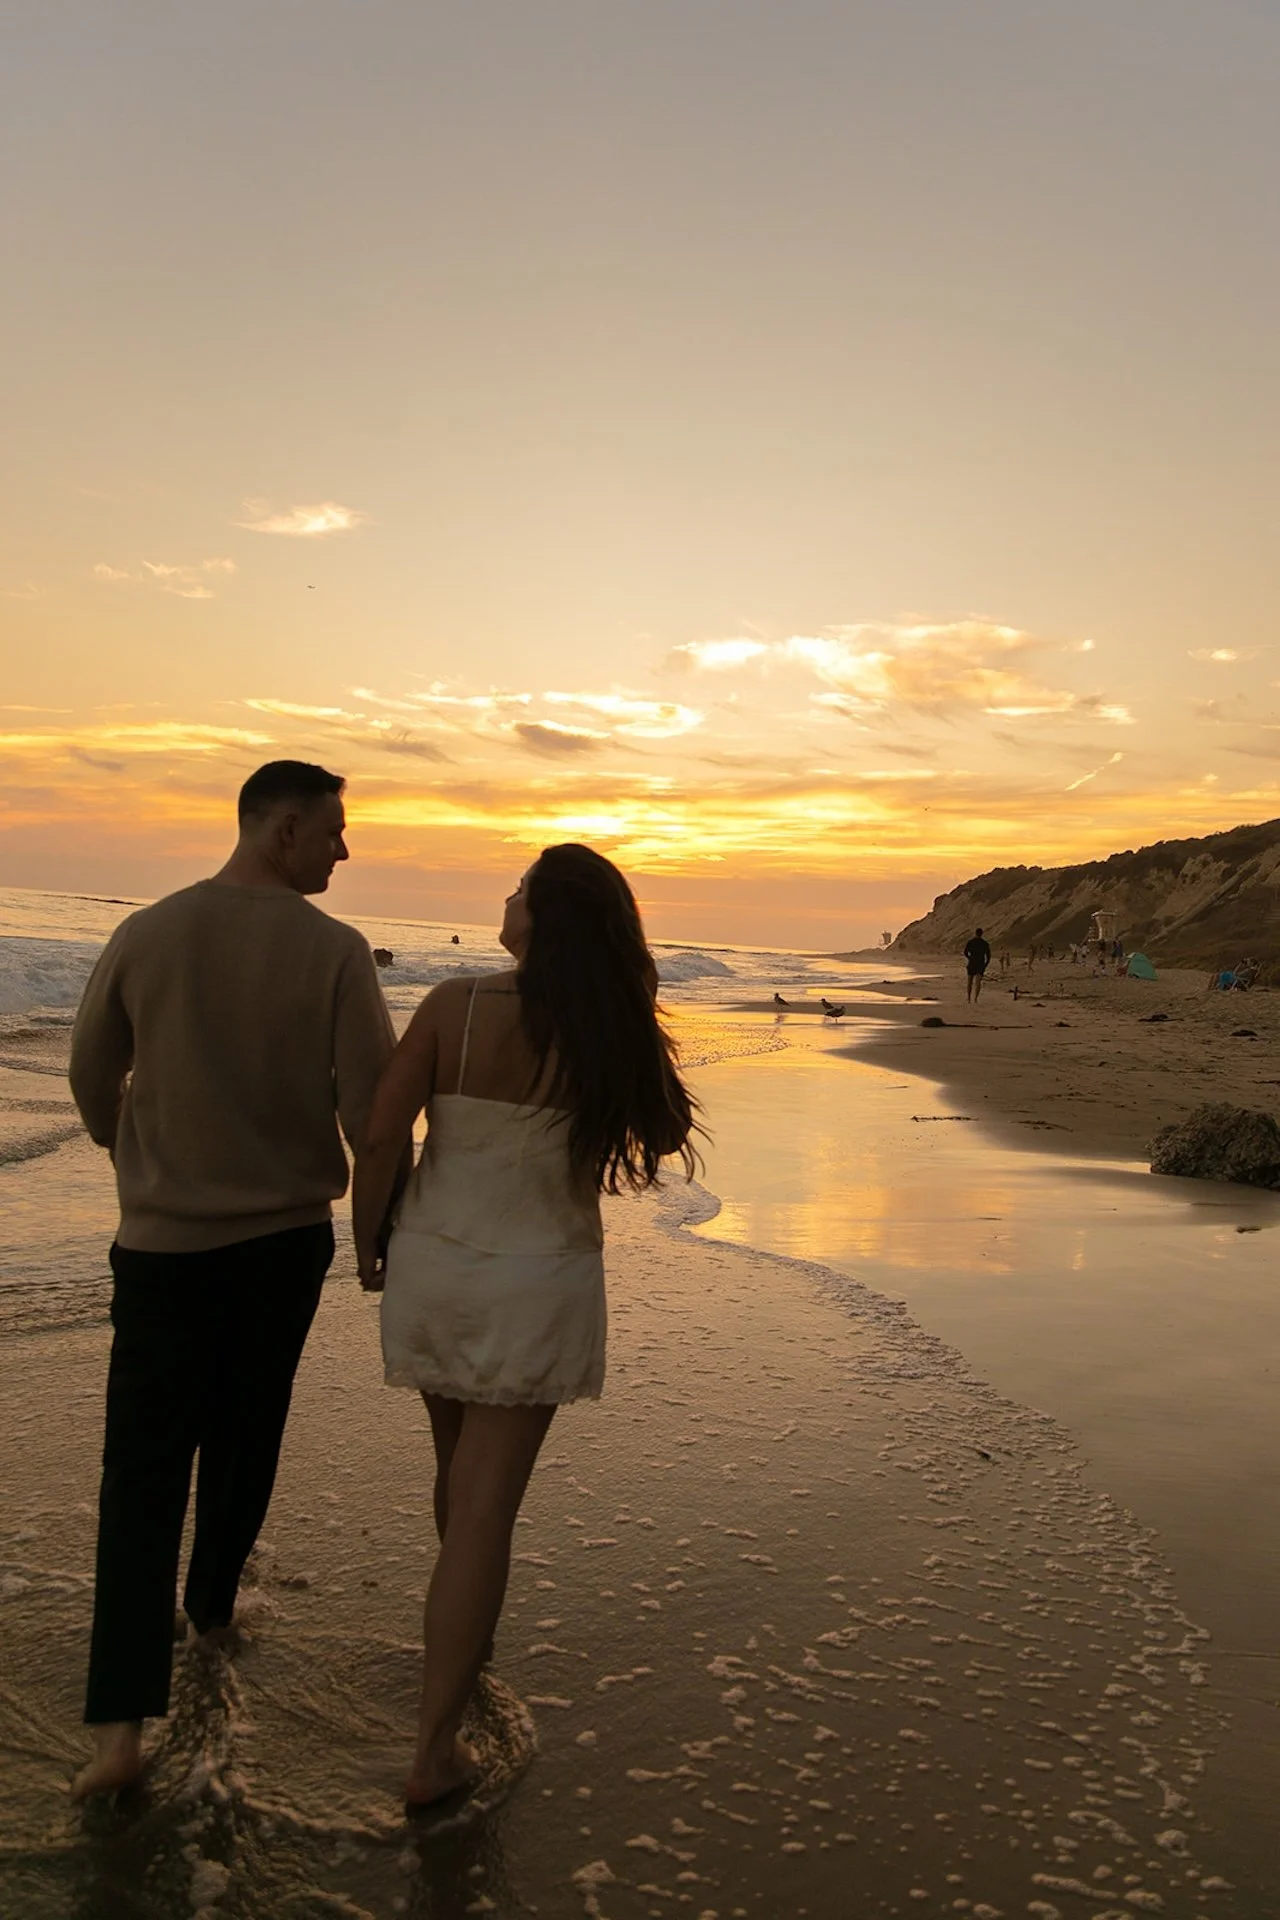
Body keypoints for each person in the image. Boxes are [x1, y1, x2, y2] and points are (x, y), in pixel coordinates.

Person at [67, 760, 395, 1799]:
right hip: (281, 1242)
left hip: (159, 1245)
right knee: (246, 1436)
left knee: (140, 1472)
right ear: (282, 827)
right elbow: (372, 1115)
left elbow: (88, 1068)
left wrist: (130, 1159)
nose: (345, 851)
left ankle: (118, 1736)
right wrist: (382, 1229)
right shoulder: (334, 954)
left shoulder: (147, 932)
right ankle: (210, 1615)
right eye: (335, 832)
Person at [353, 844, 699, 1810]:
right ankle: (434, 1750)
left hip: (435, 1263)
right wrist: (631, 1021)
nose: (504, 898)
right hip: (538, 1279)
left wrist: (366, 1241)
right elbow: (666, 1133)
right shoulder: (607, 1028)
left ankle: (461, 1641)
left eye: (519, 889)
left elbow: (383, 1135)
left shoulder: (451, 1007)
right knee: (485, 1506)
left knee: (457, 1479)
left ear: (546, 917)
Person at [963, 926, 991, 1004]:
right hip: (980, 964)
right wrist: (985, 965)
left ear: (975, 933)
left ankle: (969, 998)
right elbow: (988, 956)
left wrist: (969, 958)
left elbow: (965, 952)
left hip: (972, 963)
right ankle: (975, 998)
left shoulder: (971, 942)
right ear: (981, 934)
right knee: (978, 982)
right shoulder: (985, 943)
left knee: (969, 982)